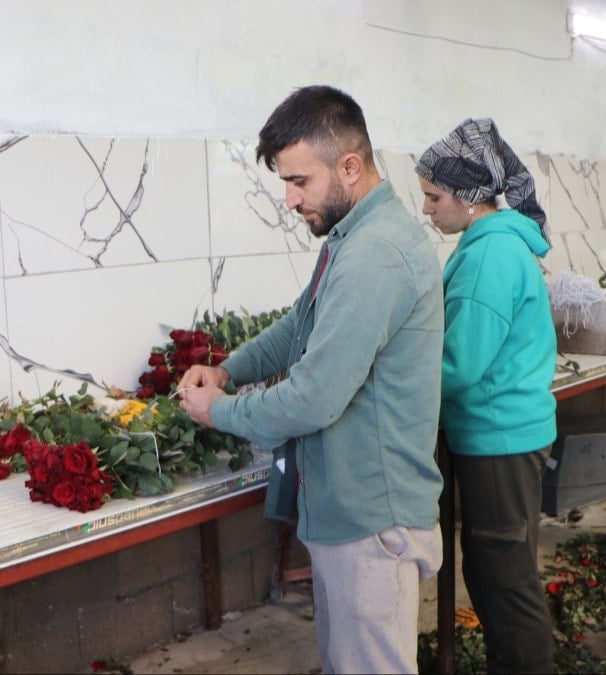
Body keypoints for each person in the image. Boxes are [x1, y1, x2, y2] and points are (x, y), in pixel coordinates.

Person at [176, 85, 445, 674]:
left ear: (349, 166)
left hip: (371, 513)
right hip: (347, 504)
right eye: (285, 183)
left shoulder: (376, 253)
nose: (291, 200)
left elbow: (315, 396)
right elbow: (297, 325)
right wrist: (228, 368)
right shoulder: (351, 240)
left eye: (301, 181)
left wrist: (217, 411)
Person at [414, 117, 557, 674]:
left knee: (505, 581)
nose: (428, 210)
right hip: (504, 433)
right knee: (498, 568)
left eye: (434, 197)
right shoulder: (494, 243)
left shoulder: (489, 255)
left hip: (497, 438)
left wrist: (393, 386)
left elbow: (458, 363)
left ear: (470, 198)